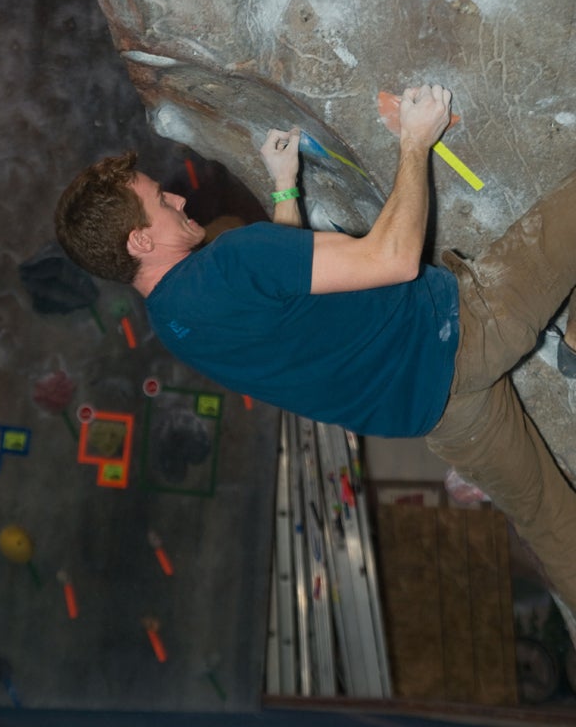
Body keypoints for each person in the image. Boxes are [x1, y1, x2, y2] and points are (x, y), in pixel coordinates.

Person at [55, 84, 576, 614]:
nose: (180, 198)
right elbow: (393, 258)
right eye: (162, 201)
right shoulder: (232, 258)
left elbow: (283, 298)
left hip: (433, 412)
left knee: (550, 523)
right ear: (140, 243)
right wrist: (416, 141)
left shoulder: (173, 322)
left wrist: (285, 189)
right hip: (463, 330)